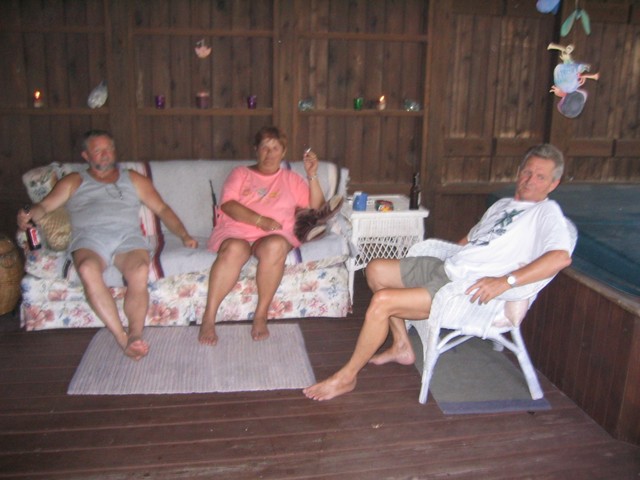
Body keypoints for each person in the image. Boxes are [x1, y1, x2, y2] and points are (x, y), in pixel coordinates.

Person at [303, 143, 573, 401]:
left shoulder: (546, 212)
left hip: (464, 289)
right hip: (447, 267)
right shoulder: (502, 205)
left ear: (553, 184)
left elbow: (560, 258)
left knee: (382, 302)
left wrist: (506, 282)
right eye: (527, 171)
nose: (529, 180)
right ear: (519, 172)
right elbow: (471, 240)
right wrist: (451, 254)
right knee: (375, 270)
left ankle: (347, 377)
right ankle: (401, 345)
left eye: (540, 176)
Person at [17, 130, 198, 360]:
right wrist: (27, 215)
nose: (105, 155)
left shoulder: (133, 178)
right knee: (87, 269)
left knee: (140, 270)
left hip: (127, 238)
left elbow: (162, 208)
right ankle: (122, 338)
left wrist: (184, 235)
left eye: (109, 149)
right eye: (98, 151)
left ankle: (135, 334)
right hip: (90, 239)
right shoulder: (74, 180)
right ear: (86, 155)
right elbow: (44, 207)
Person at [199, 126, 325, 345]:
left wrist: (312, 174)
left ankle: (260, 315)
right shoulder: (240, 173)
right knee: (234, 249)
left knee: (275, 246)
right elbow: (228, 205)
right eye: (265, 147)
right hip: (237, 231)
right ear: (256, 149)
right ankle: (208, 318)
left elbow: (317, 208)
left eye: (275, 148)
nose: (269, 153)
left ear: (283, 152)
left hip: (273, 236)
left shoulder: (291, 179)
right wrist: (260, 221)